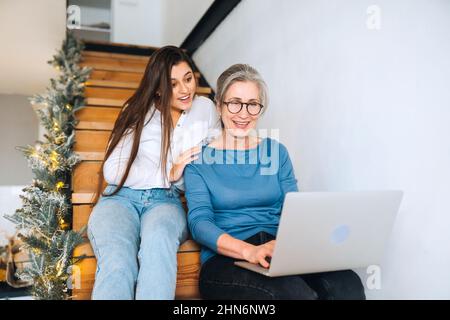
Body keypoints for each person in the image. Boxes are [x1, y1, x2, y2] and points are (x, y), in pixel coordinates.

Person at [184, 64, 366, 300]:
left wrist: (288, 247)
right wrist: (249, 251)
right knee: (294, 294)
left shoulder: (276, 152)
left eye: (252, 104)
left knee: (347, 285)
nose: (243, 113)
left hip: (278, 250)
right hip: (226, 260)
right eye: (234, 102)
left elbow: (295, 210)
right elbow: (199, 224)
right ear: (219, 106)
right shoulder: (198, 162)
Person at [87, 46, 220, 300]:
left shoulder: (205, 109)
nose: (184, 89)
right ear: (159, 87)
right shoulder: (138, 112)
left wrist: (181, 172)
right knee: (118, 261)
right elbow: (113, 170)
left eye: (188, 79)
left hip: (166, 201)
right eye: (173, 84)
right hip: (119, 199)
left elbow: (213, 154)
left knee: (158, 245)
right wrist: (169, 171)